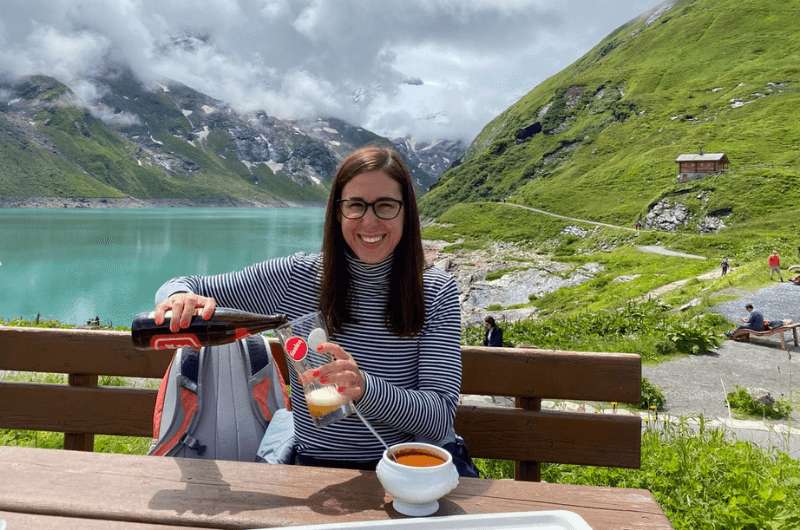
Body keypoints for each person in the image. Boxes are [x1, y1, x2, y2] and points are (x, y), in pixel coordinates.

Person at [151, 146, 477, 476]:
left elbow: (439, 418)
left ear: (407, 211)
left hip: (411, 470)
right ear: (338, 212)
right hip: (316, 472)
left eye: (386, 206)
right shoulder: (297, 277)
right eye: (355, 206)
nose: (369, 220)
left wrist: (364, 388)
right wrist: (180, 298)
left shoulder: (435, 289)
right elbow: (182, 283)